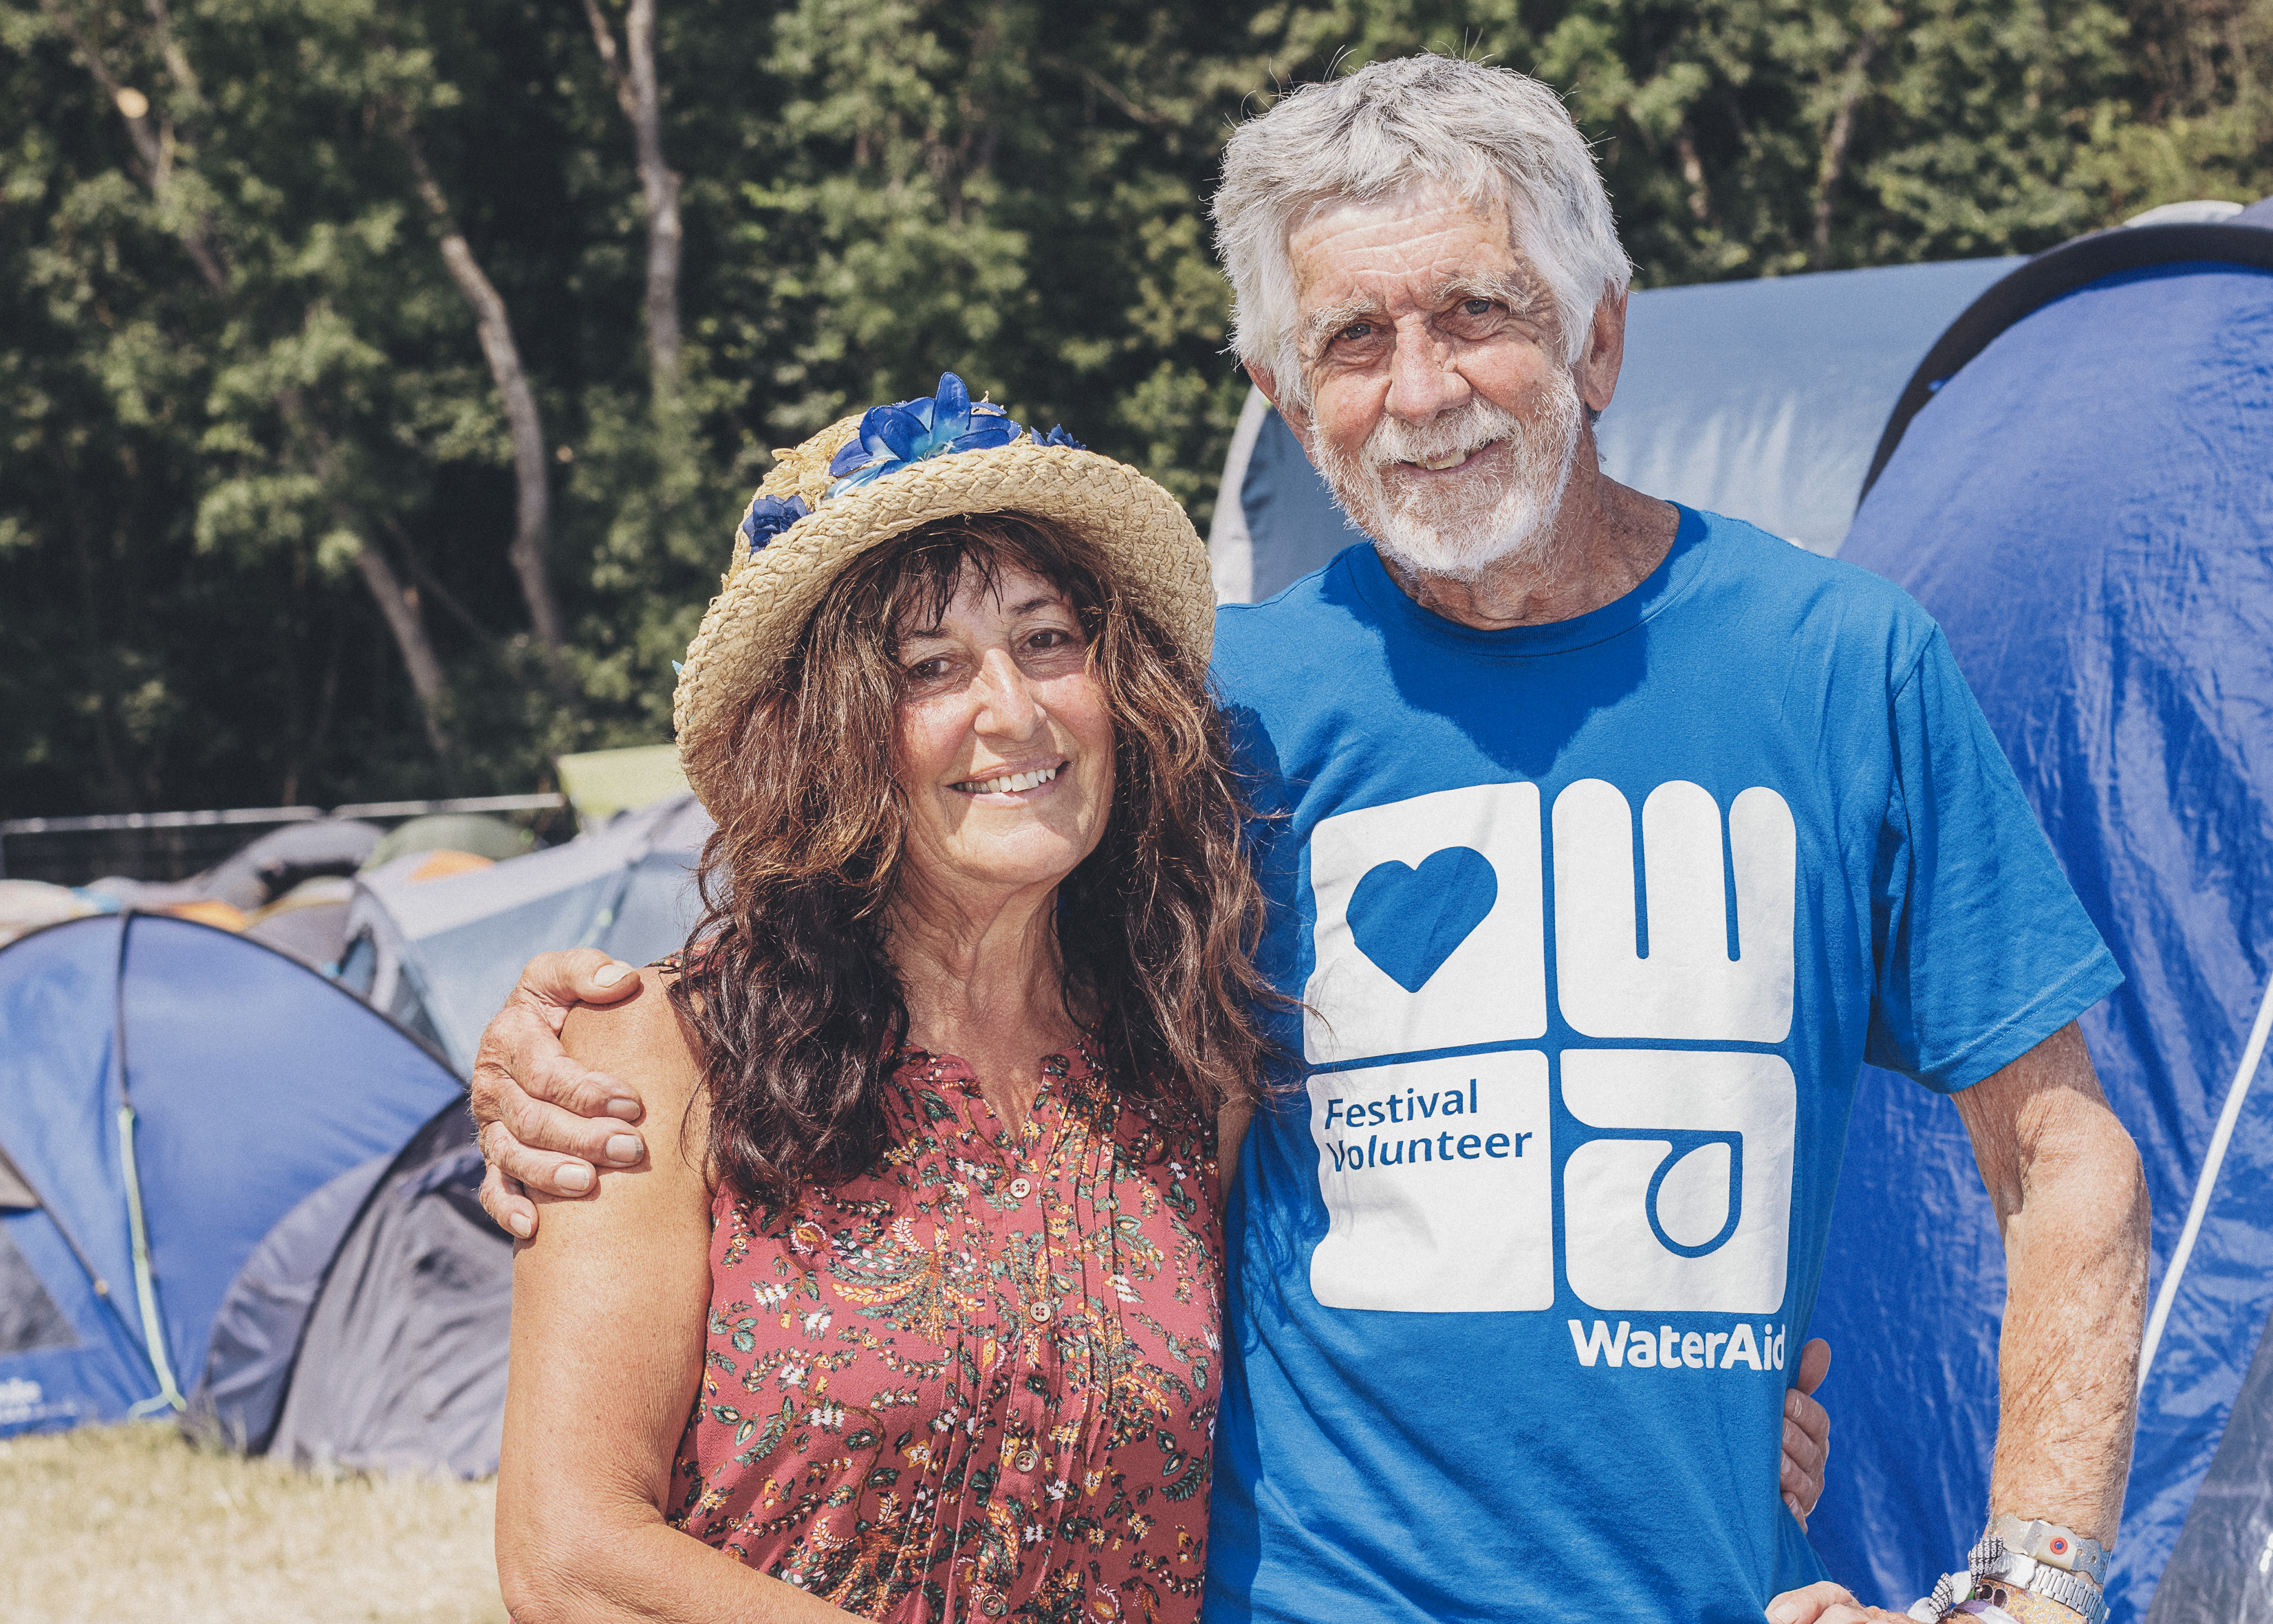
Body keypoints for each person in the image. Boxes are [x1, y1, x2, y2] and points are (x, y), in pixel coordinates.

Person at [477, 56, 2135, 1624]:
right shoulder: (1216, 716)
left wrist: (2032, 1578)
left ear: (1599, 341)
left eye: (1477, 312)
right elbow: (892, 942)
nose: (1421, 392)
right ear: (1282, 393)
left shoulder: (1841, 665)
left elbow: (2064, 1155)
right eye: (1352, 340)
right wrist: (539, 1058)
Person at [493, 377, 1836, 1624]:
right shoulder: (658, 1055)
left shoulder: (1193, 1066)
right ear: (825, 730)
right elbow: (565, 1553)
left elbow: (1382, 1338)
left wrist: (1692, 1407)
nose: (1012, 709)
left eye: (1046, 640)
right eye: (929, 667)